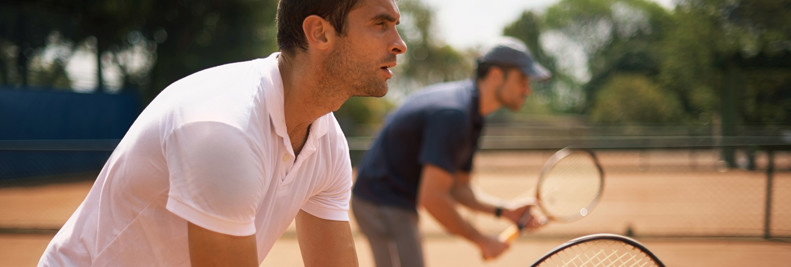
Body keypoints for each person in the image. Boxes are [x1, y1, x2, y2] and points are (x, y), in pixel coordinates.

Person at [38, 0, 406, 266]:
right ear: (319, 32)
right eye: (380, 24)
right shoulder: (224, 128)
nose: (399, 43)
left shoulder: (326, 140)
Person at [351, 36, 551, 266]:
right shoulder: (455, 115)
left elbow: (458, 187)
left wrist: (505, 211)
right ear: (496, 75)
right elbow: (433, 197)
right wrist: (482, 240)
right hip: (380, 199)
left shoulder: (472, 113)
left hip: (392, 198)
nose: (527, 89)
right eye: (522, 78)